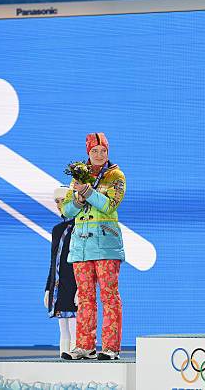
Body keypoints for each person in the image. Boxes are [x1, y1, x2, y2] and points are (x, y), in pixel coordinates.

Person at [60, 132, 126, 361]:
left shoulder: (116, 175)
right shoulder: (78, 177)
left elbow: (109, 205)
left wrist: (86, 191)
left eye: (103, 151)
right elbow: (66, 211)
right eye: (94, 151)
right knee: (85, 297)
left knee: (109, 296)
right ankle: (84, 346)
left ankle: (110, 347)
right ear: (88, 153)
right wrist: (77, 197)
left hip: (106, 245)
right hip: (81, 246)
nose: (99, 155)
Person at [45, 186, 78, 358]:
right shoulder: (57, 229)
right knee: (63, 328)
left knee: (75, 326)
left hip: (74, 284)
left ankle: (75, 359)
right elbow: (53, 261)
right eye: (56, 201)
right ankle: (62, 362)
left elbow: (84, 261)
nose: (59, 205)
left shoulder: (81, 226)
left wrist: (82, 287)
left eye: (62, 200)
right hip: (58, 286)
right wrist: (48, 288)